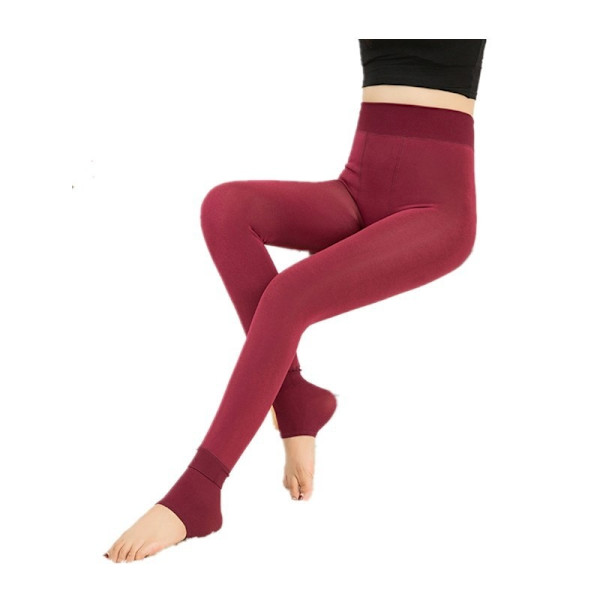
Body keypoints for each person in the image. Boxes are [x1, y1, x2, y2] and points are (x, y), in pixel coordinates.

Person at [104, 38, 487, 562]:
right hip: (359, 189)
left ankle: (200, 489)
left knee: (290, 294)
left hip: (436, 211)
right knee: (226, 207)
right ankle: (293, 398)